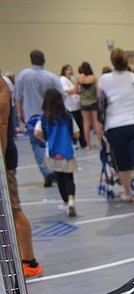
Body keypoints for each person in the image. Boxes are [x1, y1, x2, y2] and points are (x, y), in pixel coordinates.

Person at [98, 48, 134, 206]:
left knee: (123, 162)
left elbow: (100, 103)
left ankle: (127, 193)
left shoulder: (104, 79)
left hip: (115, 125)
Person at [0, 73, 41, 278]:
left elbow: (3, 123)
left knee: (14, 209)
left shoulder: (2, 86)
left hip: (4, 158)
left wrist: (2, 161)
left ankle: (30, 261)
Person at [14, 49, 62, 186]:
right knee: (53, 143)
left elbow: (18, 97)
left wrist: (20, 114)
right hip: (51, 116)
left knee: (37, 145)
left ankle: (47, 172)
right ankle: (57, 170)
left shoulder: (23, 76)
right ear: (44, 60)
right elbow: (61, 96)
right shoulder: (52, 77)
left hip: (32, 116)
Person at [34, 88, 79, 216]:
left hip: (52, 152)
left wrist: (45, 140)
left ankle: (65, 201)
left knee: (59, 177)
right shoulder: (67, 116)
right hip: (67, 151)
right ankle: (71, 200)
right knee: (69, 177)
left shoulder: (44, 117)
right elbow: (76, 133)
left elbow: (36, 132)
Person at [76, 62, 102, 150]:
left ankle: (88, 145)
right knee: (96, 123)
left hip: (84, 103)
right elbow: (98, 91)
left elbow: (76, 90)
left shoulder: (79, 78)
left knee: (86, 124)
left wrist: (82, 93)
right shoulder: (94, 78)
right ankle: (100, 143)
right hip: (93, 102)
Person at [59, 64, 85, 148]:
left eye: (71, 69)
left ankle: (83, 142)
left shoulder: (72, 79)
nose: (70, 71)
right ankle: (73, 142)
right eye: (68, 70)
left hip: (77, 106)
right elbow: (67, 91)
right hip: (70, 107)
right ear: (64, 71)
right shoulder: (63, 80)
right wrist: (76, 88)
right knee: (73, 126)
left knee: (80, 125)